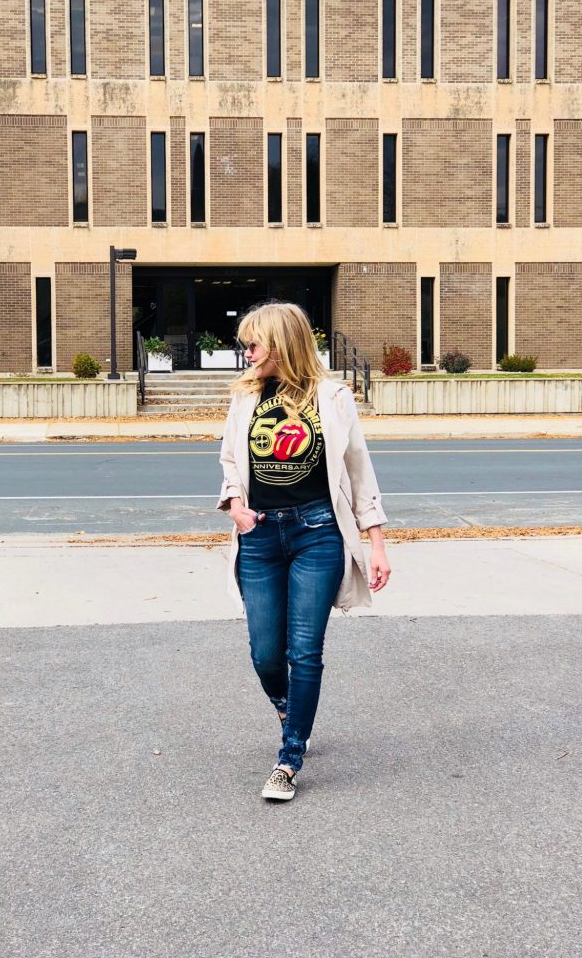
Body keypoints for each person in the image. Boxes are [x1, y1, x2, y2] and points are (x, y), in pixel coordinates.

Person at [217, 301, 390, 801]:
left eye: (254, 344)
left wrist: (376, 543)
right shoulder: (245, 397)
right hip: (261, 535)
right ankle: (288, 707)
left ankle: (289, 757)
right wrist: (234, 504)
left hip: (318, 534)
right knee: (265, 651)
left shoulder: (333, 398)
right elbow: (230, 458)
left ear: (284, 344)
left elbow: (359, 473)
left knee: (304, 650)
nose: (246, 352)